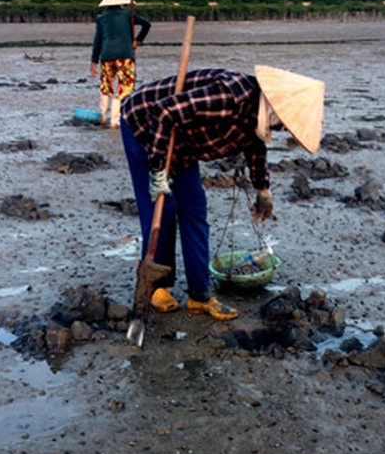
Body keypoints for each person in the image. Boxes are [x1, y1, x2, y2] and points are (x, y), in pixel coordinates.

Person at [120, 65, 324, 320]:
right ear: (277, 107)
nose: (285, 129)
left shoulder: (257, 114)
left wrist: (263, 190)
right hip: (143, 123)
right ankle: (156, 287)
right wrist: (159, 170)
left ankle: (199, 295)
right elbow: (164, 112)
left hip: (184, 141)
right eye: (286, 123)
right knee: (162, 210)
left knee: (194, 209)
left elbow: (254, 145)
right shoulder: (229, 97)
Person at [90, 0, 152, 128]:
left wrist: (94, 61)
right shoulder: (128, 14)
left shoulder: (101, 18)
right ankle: (115, 120)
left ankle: (103, 117)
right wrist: (138, 40)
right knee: (125, 87)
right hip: (125, 56)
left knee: (106, 87)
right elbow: (147, 24)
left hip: (106, 57)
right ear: (121, 3)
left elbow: (97, 40)